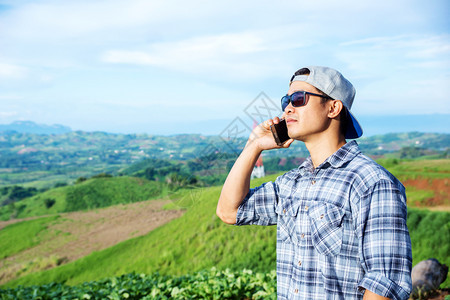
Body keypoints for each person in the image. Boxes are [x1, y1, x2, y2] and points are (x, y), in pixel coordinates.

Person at [216, 66, 412, 300]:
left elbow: (383, 285)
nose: (288, 107)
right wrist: (254, 145)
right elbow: (230, 211)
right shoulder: (292, 182)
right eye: (285, 100)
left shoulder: (371, 183)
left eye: (299, 98)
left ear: (333, 107)